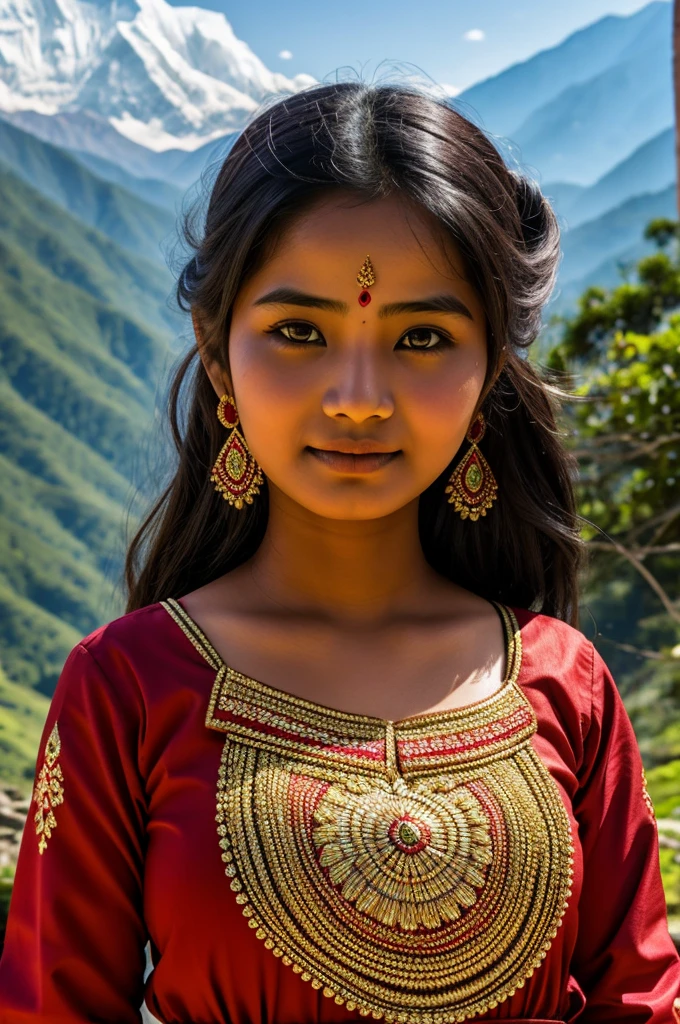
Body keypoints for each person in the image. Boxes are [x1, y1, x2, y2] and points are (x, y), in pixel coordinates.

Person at [0, 80, 678, 1024]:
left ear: (489, 374)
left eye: (423, 337)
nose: (358, 396)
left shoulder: (571, 691)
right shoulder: (126, 690)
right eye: (299, 332)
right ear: (218, 346)